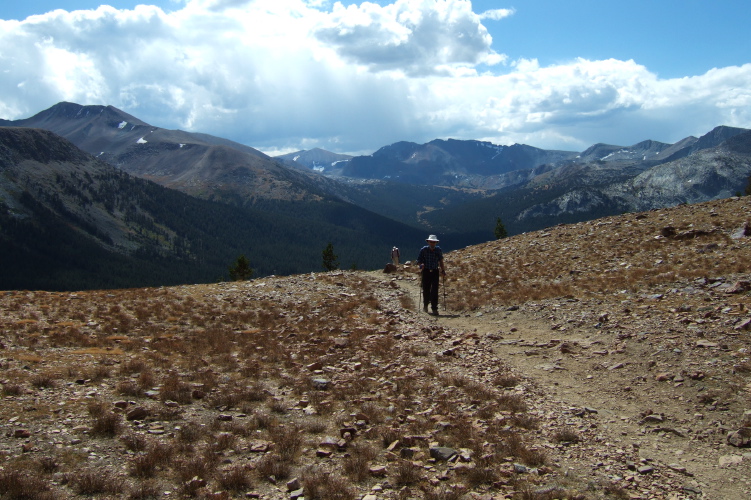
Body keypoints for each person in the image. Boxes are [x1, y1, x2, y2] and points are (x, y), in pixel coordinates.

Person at [417, 234, 446, 315]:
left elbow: (440, 261)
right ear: (428, 242)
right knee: (426, 289)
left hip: (435, 271)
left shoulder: (438, 250)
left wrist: (443, 270)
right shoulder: (424, 250)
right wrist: (421, 265)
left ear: (436, 243)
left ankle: (434, 308)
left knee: (434, 290)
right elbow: (419, 260)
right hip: (426, 271)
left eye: (434, 242)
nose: (432, 243)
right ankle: (426, 305)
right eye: (431, 242)